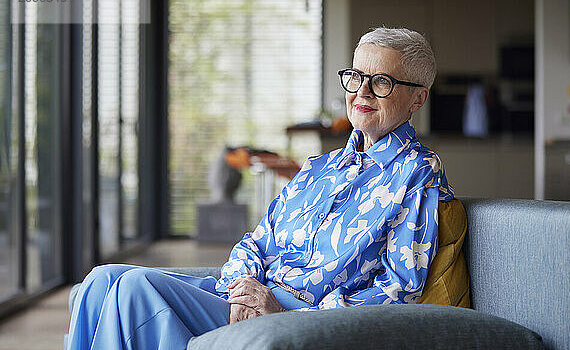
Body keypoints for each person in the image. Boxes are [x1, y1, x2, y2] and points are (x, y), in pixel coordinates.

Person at [66, 27, 454, 349]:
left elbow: (399, 289)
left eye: (382, 82)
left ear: (417, 97)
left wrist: (285, 315)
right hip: (246, 296)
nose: (362, 92)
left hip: (298, 317)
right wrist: (243, 288)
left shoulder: (417, 171)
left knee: (134, 287)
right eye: (355, 76)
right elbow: (256, 243)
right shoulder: (320, 166)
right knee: (102, 279)